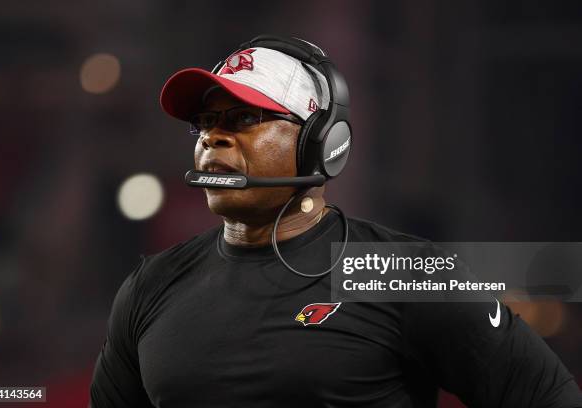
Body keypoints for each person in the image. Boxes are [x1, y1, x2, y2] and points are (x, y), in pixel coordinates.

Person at [90, 35, 582, 407]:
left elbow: (548, 396)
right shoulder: (150, 287)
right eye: (205, 122)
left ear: (322, 142)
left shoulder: (405, 274)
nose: (212, 138)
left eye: (242, 119)